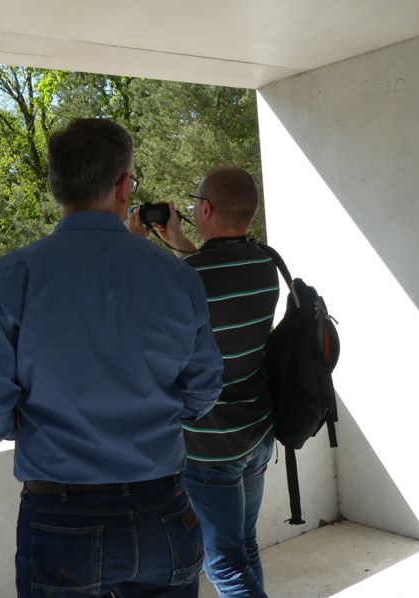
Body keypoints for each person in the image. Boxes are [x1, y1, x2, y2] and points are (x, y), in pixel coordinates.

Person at [0, 118, 224, 597]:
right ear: (123, 186)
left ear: (57, 185)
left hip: (61, 517)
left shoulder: (15, 275)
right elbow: (203, 389)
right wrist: (150, 414)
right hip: (161, 510)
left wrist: (21, 425)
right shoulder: (178, 277)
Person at [129, 165, 279, 598]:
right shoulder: (265, 263)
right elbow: (213, 282)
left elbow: (145, 329)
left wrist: (136, 247)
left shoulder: (189, 276)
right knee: (243, 544)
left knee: (224, 564)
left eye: (195, 202)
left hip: (209, 444)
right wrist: (178, 241)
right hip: (255, 433)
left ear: (207, 209)